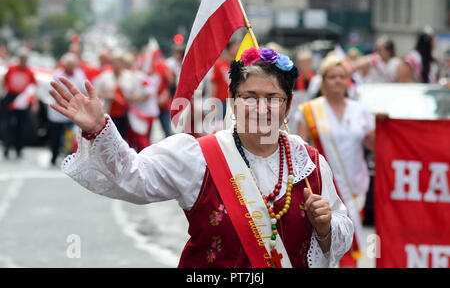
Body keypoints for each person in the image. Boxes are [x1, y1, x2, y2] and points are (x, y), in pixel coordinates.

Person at [48, 47, 353, 268]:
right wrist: (100, 128)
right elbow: (131, 176)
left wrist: (325, 225)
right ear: (232, 103)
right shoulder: (198, 155)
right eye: (250, 97)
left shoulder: (308, 162)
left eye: (273, 98)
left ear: (288, 106)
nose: (262, 108)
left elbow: (342, 233)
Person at [295, 55, 375, 268]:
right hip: (323, 188)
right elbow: (301, 151)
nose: (337, 81)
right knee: (325, 239)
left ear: (348, 80)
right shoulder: (309, 110)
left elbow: (374, 144)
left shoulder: (361, 111)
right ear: (323, 81)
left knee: (350, 243)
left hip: (355, 187)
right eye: (332, 77)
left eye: (342, 77)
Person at [47, 53, 87, 165]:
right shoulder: (58, 74)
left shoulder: (79, 74)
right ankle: (54, 156)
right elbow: (52, 90)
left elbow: (83, 90)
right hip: (58, 111)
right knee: (55, 134)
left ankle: (69, 156)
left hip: (72, 111)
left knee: (70, 135)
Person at [2, 49, 39, 159]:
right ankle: (7, 147)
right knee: (8, 125)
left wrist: (34, 103)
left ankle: (19, 148)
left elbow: (34, 88)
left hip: (22, 99)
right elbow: (4, 81)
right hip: (11, 97)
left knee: (22, 125)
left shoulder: (29, 72)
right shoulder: (12, 69)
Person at [210, 41, 239, 119]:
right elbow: (214, 84)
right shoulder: (219, 64)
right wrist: (213, 104)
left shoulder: (239, 65)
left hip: (235, 101)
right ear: (228, 49)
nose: (237, 49)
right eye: (235, 47)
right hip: (222, 102)